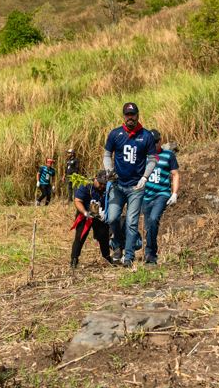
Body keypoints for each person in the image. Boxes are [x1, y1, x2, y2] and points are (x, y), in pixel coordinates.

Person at [103, 102, 157, 268]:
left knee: (132, 222)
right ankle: (117, 245)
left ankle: (129, 256)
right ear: (124, 116)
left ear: (138, 115)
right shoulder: (115, 134)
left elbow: (153, 159)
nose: (130, 118)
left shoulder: (146, 136)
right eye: (128, 115)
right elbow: (107, 154)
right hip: (117, 184)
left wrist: (145, 177)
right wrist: (109, 170)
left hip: (136, 187)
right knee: (111, 217)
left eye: (133, 115)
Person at [141, 130, 180, 266]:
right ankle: (149, 252)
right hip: (146, 196)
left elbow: (175, 174)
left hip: (162, 194)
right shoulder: (143, 156)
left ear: (160, 141)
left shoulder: (168, 155)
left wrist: (174, 193)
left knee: (153, 219)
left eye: (155, 142)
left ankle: (151, 253)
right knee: (149, 226)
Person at [70, 171, 113, 269]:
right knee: (80, 236)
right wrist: (85, 213)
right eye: (100, 183)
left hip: (99, 216)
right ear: (95, 178)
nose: (102, 186)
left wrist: (105, 213)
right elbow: (77, 201)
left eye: (104, 184)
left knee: (103, 236)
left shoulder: (107, 189)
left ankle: (107, 257)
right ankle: (74, 259)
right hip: (85, 214)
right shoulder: (86, 185)